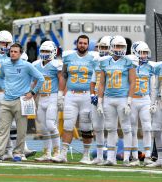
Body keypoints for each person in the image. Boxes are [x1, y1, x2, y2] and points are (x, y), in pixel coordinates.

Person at [0, 43, 44, 162]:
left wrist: (32, 93)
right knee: (2, 128)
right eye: (11, 51)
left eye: (15, 51)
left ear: (20, 53)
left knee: (21, 130)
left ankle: (18, 153)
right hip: (6, 100)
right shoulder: (5, 64)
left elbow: (41, 78)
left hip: (21, 101)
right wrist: (4, 87)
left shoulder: (27, 65)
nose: (13, 53)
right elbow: (0, 78)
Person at [52, 35, 97, 164]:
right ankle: (63, 154)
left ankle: (86, 155)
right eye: (80, 43)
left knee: (86, 127)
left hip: (87, 95)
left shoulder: (94, 58)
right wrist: (60, 94)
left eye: (85, 43)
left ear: (88, 45)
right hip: (71, 95)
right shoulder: (68, 56)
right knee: (67, 125)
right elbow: (64, 76)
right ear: (77, 44)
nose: (82, 45)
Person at [97, 35, 135, 166]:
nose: (119, 49)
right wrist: (100, 101)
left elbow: (133, 81)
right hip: (108, 98)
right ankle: (111, 158)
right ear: (112, 47)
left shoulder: (129, 61)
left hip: (123, 98)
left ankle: (126, 158)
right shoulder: (104, 61)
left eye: (122, 46)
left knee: (126, 128)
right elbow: (101, 83)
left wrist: (129, 101)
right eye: (117, 46)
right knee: (111, 128)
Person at [32, 41, 62, 162]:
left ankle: (57, 151)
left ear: (53, 52)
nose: (45, 54)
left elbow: (61, 80)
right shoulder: (36, 65)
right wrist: (31, 97)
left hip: (52, 96)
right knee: (43, 128)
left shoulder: (57, 64)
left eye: (47, 51)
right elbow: (35, 82)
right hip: (41, 97)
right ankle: (46, 153)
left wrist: (61, 95)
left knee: (50, 124)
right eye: (43, 51)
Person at [129, 41, 154, 166]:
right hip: (132, 99)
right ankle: (134, 158)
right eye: (141, 52)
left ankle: (148, 156)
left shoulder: (150, 66)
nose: (144, 55)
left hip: (145, 99)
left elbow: (153, 85)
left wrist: (153, 101)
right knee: (132, 129)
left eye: (145, 53)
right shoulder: (129, 64)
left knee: (147, 127)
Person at [90, 36, 111, 165]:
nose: (102, 50)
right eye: (101, 47)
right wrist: (92, 94)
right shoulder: (97, 61)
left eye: (105, 47)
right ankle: (99, 156)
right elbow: (93, 81)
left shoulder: (115, 62)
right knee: (97, 127)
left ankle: (112, 156)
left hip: (110, 97)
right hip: (97, 97)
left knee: (111, 127)